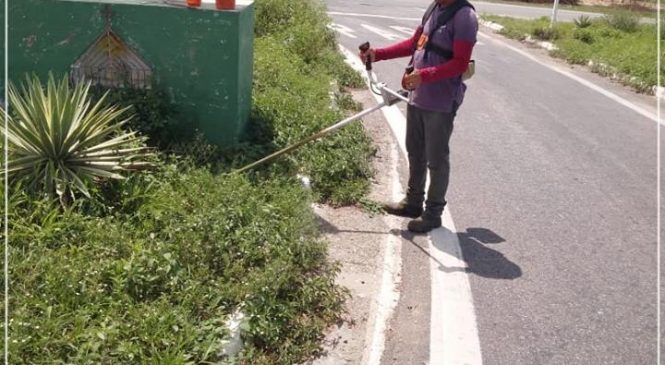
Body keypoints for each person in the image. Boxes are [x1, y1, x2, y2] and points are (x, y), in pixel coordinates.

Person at [359, 0, 478, 233]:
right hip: (418, 95)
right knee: (415, 150)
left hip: (441, 101)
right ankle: (413, 202)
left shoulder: (465, 16)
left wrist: (425, 75)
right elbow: (415, 45)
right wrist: (377, 54)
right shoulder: (434, 8)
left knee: (437, 158)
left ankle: (433, 213)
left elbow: (460, 63)